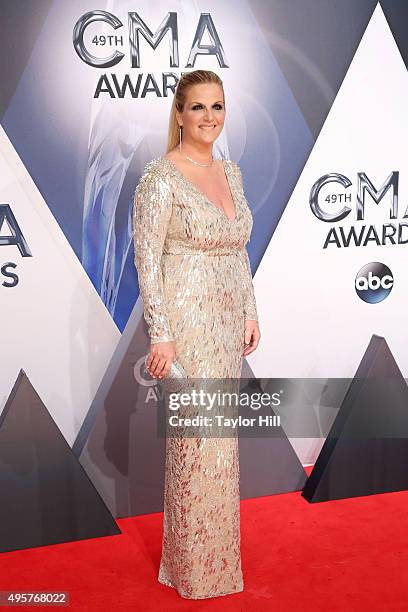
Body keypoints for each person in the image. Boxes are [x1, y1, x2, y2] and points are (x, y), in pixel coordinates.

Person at [132, 69, 260, 599]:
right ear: (179, 115)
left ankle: (217, 563)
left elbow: (239, 247)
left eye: (218, 106)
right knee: (196, 444)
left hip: (228, 322)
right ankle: (192, 570)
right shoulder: (159, 177)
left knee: (221, 444)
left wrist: (250, 310)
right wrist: (160, 334)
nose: (210, 117)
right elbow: (147, 259)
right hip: (186, 324)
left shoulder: (232, 173)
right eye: (199, 107)